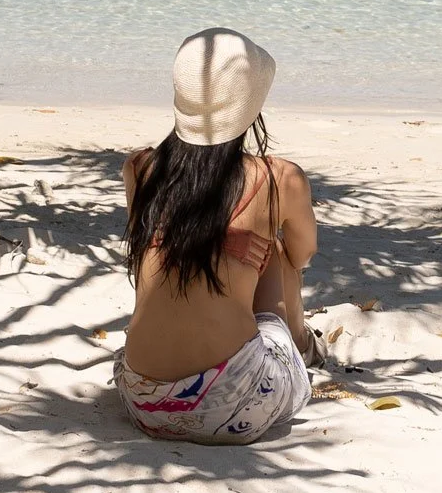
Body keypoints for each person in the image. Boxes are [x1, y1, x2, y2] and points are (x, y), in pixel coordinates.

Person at [115, 28, 320, 445]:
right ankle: (305, 348)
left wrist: (226, 243)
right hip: (234, 408)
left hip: (143, 401)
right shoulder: (279, 178)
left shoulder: (140, 168)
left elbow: (155, 246)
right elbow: (303, 255)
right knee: (278, 253)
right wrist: (256, 250)